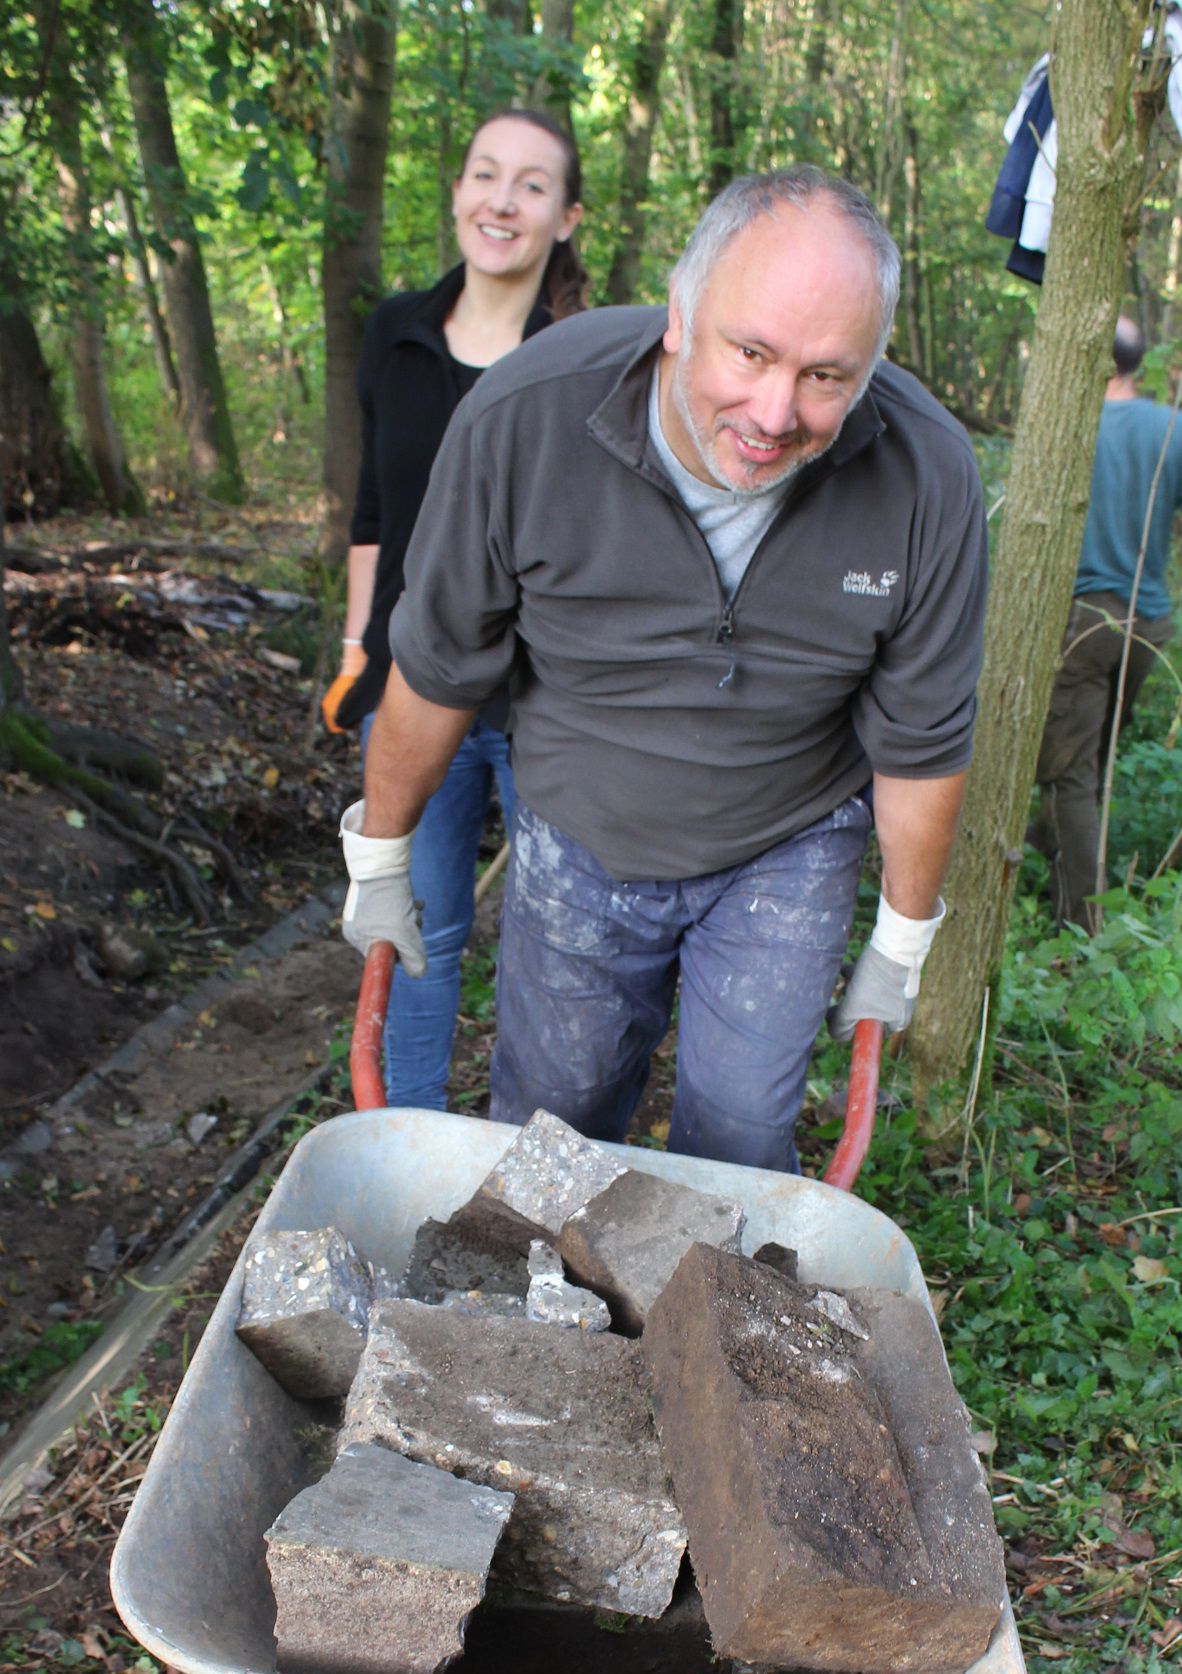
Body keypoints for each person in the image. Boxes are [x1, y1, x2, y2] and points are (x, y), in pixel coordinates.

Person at [339, 166, 987, 1174]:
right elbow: (436, 667)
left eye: (825, 375)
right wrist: (381, 859)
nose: (775, 412)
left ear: (872, 365)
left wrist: (901, 940)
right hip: (583, 823)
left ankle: (691, 1321)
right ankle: (540, 1323)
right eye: (751, 351)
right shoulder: (529, 417)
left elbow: (922, 744)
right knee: (555, 1130)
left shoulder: (926, 475)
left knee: (738, 1138)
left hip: (790, 840)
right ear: (680, 314)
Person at [322, 108, 585, 1109]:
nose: (502, 201)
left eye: (530, 185)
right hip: (408, 685)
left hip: (543, 701)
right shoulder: (396, 333)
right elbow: (374, 509)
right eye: (486, 175)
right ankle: (412, 1143)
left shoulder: (576, 357)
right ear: (458, 191)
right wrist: (356, 649)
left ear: (564, 216)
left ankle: (536, 1154)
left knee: (555, 935)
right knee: (417, 923)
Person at [1032, 316, 1182, 930]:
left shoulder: (1070, 424)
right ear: (1139, 363)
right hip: (1148, 627)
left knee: (1071, 773)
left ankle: (1080, 925)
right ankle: (1055, 857)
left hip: (1087, 623)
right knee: (1087, 753)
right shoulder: (1172, 428)